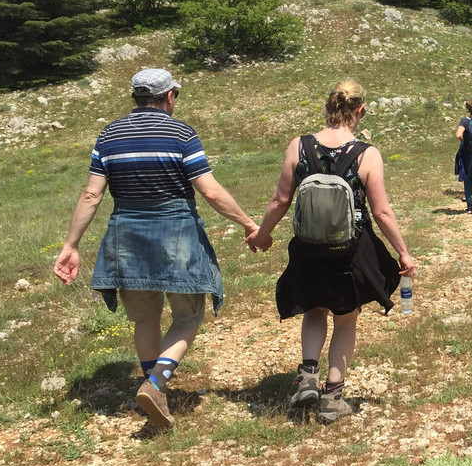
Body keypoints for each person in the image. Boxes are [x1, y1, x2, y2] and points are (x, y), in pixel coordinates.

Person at [53, 68, 260, 431]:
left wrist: (70, 246)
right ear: (169, 97)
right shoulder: (181, 133)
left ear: (136, 97)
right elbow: (209, 190)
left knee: (145, 318)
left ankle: (153, 387)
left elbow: (91, 194)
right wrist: (248, 224)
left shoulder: (109, 135)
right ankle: (156, 383)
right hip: (176, 232)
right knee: (187, 317)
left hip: (126, 236)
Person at [246, 80, 415, 423]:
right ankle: (333, 396)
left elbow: (281, 199)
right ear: (360, 111)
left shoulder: (300, 146)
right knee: (345, 318)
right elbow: (381, 212)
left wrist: (262, 235)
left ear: (328, 108)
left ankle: (307, 376)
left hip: (308, 248)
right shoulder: (367, 154)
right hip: (349, 250)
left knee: (313, 309)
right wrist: (403, 253)